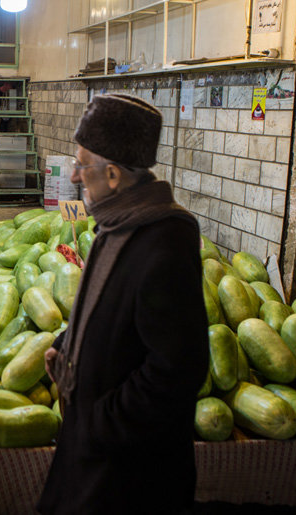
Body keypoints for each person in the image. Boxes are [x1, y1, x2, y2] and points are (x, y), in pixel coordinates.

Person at [39, 94, 208, 514]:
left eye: (82, 165)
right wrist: (67, 343)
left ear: (113, 174)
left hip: (129, 472)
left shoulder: (163, 241)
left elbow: (177, 370)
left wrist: (98, 423)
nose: (75, 176)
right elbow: (110, 309)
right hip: (94, 452)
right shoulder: (118, 223)